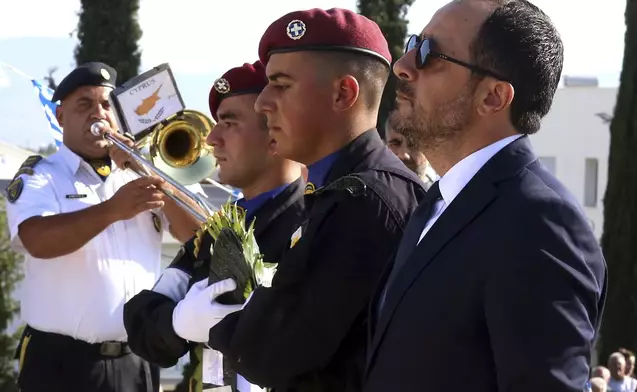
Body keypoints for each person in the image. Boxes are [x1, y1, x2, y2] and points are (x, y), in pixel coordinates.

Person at [176, 8, 426, 392]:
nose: (263, 103)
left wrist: (213, 324)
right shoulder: (351, 191)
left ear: (343, 93)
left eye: (281, 84)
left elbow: (269, 355)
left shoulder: (362, 200)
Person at [364, 1, 607, 391]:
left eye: (428, 53)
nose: (402, 65)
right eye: (412, 43)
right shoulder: (438, 203)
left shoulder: (538, 222)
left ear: (493, 97)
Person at [5, 62, 203, 392]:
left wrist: (150, 172)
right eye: (84, 105)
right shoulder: (42, 176)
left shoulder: (140, 172)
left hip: (137, 358)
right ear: (61, 117)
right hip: (61, 361)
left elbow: (198, 235)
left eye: (106, 105)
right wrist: (112, 210)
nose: (99, 114)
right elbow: (37, 239)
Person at [123, 60, 307, 392]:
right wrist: (177, 323)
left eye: (229, 123)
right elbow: (141, 323)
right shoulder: (220, 228)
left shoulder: (313, 222)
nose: (212, 139)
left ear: (275, 132)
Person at [385, 116, 437, 185]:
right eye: (395, 144)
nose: (404, 155)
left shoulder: (445, 191)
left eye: (413, 144)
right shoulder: (371, 190)